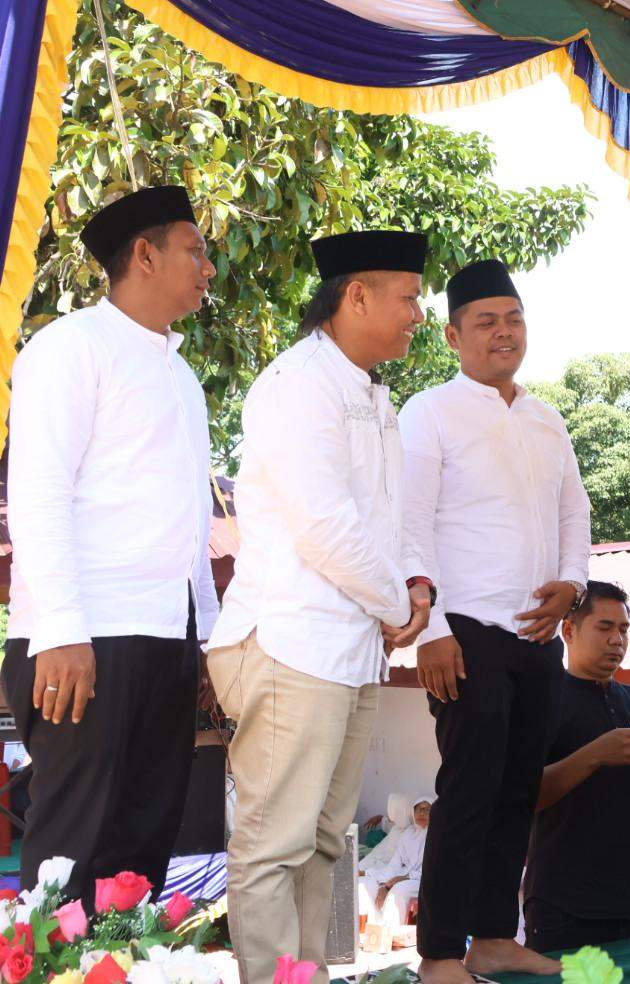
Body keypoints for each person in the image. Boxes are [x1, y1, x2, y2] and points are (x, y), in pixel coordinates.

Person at [207, 230, 433, 984]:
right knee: (274, 846)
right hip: (291, 644)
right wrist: (396, 602)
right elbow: (325, 525)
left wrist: (418, 586)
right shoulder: (298, 383)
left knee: (328, 843)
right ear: (356, 296)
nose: (419, 314)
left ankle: (312, 974)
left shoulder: (373, 391)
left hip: (352, 650)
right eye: (409, 298)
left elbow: (391, 517)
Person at [3, 186, 217, 901]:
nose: (208, 268)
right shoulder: (70, 347)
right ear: (145, 255)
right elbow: (38, 495)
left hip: (166, 638)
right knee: (69, 860)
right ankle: (46, 963)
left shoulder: (182, 376)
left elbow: (191, 523)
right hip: (83, 638)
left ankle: (123, 962)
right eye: (195, 250)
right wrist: (62, 629)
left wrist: (206, 640)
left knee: (139, 858)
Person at [401, 258, 589, 984]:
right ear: (453, 336)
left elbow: (574, 511)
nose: (503, 332)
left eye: (513, 319)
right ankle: (439, 955)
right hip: (464, 629)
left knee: (517, 790)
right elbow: (408, 521)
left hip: (537, 632)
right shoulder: (429, 412)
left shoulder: (546, 417)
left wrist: (572, 585)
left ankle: (493, 939)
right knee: (469, 791)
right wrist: (430, 630)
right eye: (486, 322)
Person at [523, 581, 630, 953]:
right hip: (564, 906)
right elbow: (522, 796)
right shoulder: (540, 701)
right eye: (605, 627)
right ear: (568, 630)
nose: (617, 640)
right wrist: (594, 755)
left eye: (623, 630)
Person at [357, 795, 433, 931]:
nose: (422, 813)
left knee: (399, 890)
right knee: (365, 884)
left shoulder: (436, 835)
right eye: (418, 809)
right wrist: (382, 883)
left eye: (427, 809)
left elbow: (430, 870)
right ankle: (370, 930)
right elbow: (394, 865)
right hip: (403, 875)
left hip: (423, 880)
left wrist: (396, 882)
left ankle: (391, 932)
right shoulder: (408, 834)